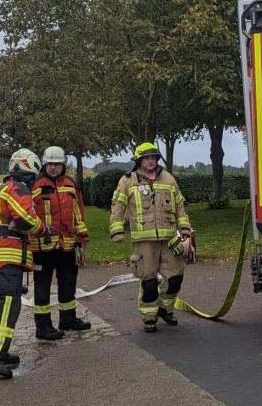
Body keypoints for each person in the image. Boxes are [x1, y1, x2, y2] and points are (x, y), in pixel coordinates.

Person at [0, 149, 47, 379]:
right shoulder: (18, 188)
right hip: (9, 255)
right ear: (32, 168)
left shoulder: (1, 188)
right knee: (7, 304)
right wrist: (42, 229)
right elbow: (27, 218)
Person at [109, 142, 192, 333]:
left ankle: (165, 309)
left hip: (169, 239)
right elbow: (118, 206)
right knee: (149, 282)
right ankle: (149, 317)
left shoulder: (168, 178)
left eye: (153, 157)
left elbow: (180, 205)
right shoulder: (128, 181)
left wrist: (185, 227)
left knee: (175, 278)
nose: (150, 161)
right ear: (138, 160)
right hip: (144, 242)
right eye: (146, 158)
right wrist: (117, 230)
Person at [30, 146, 91, 339]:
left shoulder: (70, 184)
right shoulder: (36, 185)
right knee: (42, 288)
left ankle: (68, 319)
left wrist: (82, 234)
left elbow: (78, 212)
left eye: (57, 164)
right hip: (43, 247)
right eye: (50, 164)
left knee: (68, 283)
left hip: (67, 245)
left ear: (63, 165)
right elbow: (27, 214)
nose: (53, 168)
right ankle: (43, 327)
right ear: (44, 165)